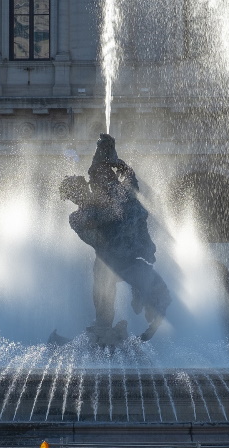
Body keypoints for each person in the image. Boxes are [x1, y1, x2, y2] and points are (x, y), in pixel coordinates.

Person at [61, 134, 171, 341]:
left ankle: (149, 316)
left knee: (153, 289)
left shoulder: (105, 196)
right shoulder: (78, 217)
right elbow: (106, 219)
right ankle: (103, 330)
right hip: (109, 259)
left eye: (86, 185)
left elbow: (128, 186)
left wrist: (116, 162)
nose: (88, 187)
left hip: (128, 254)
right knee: (103, 294)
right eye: (79, 190)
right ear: (73, 197)